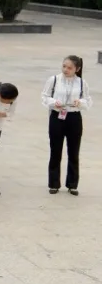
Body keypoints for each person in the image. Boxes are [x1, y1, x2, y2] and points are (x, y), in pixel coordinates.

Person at [43, 55, 91, 196]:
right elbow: (45, 96)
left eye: (70, 68)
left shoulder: (81, 83)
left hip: (74, 117)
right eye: (64, 66)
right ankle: (53, 183)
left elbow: (87, 100)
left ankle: (72, 184)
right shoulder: (54, 80)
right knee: (55, 150)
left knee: (74, 151)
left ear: (77, 69)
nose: (66, 70)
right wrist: (54, 102)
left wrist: (80, 102)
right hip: (57, 116)